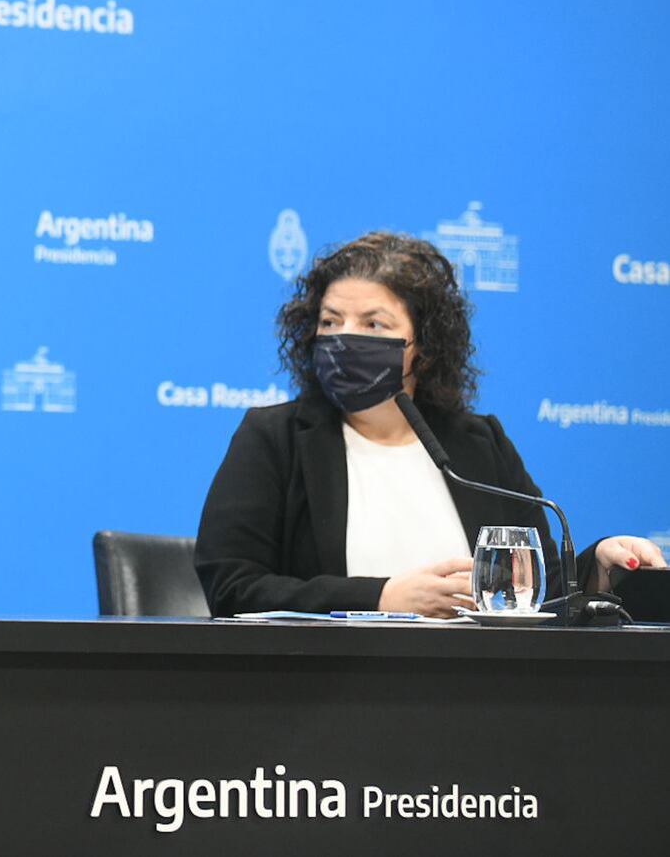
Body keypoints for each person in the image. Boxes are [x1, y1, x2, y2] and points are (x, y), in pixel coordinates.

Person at [195, 231, 664, 618]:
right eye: (330, 321)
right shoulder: (275, 439)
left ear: (423, 346)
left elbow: (539, 589)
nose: (344, 338)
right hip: (322, 696)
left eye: (373, 324)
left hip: (474, 694)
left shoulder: (476, 445)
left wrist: (601, 568)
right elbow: (233, 587)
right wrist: (380, 599)